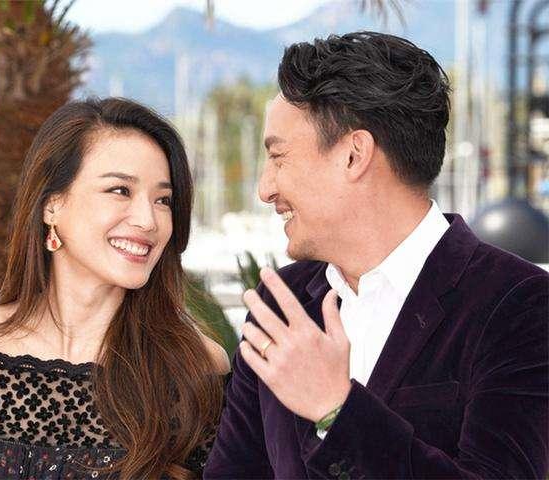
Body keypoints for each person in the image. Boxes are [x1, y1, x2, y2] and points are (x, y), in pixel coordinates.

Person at [204, 31, 548, 479]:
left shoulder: (520, 303)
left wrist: (336, 412)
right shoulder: (280, 305)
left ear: (354, 155)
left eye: (278, 157)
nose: (265, 189)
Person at [0, 97, 230, 480]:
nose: (148, 220)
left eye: (163, 200)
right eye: (120, 190)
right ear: (52, 205)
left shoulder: (195, 368)